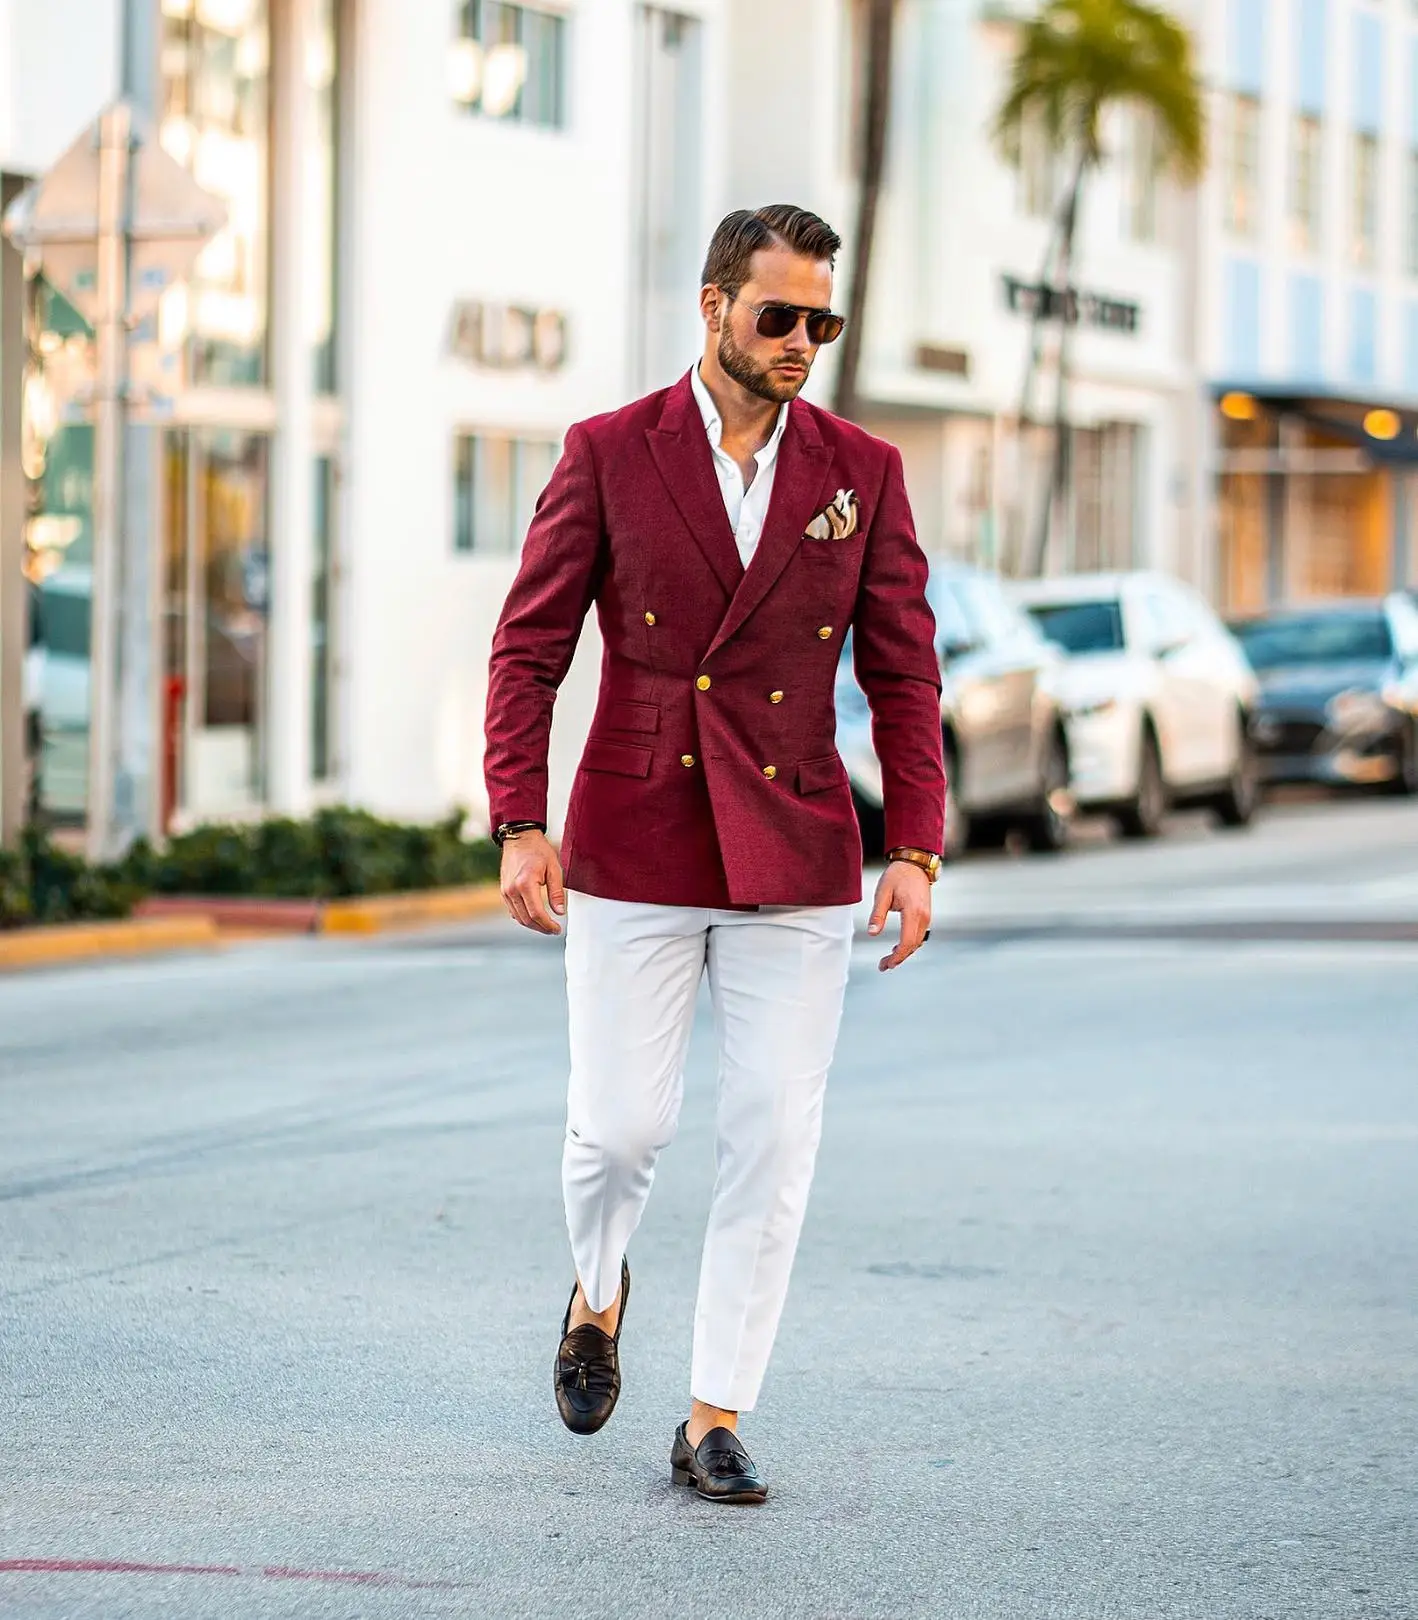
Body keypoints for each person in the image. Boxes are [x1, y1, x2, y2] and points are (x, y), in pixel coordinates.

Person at [483, 204, 945, 1506]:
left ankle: (713, 1412)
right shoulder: (609, 451)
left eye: (822, 320)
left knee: (769, 1135)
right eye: (777, 316)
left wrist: (910, 842)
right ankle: (598, 1283)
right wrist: (521, 817)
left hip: (794, 844)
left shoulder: (860, 469)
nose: (802, 341)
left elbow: (905, 672)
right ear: (712, 308)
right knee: (618, 1131)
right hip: (632, 838)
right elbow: (529, 650)